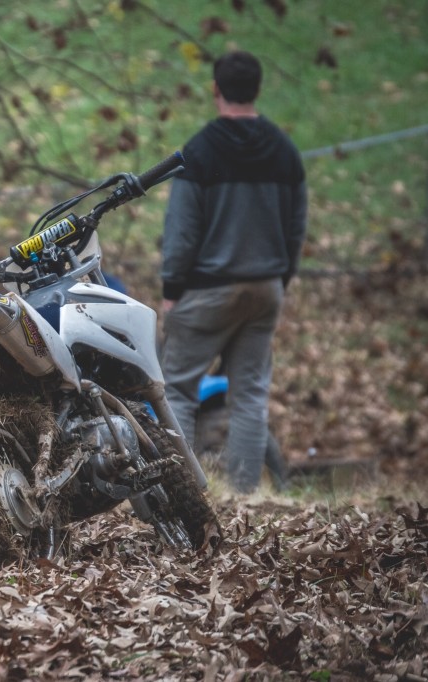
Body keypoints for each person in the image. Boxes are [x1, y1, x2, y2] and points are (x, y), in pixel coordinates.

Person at [159, 50, 307, 493]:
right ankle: (244, 496)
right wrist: (280, 280)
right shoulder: (284, 151)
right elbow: (296, 228)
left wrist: (172, 288)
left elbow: (182, 232)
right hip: (265, 289)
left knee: (177, 393)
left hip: (206, 291)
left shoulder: (200, 151)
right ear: (257, 90)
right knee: (251, 395)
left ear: (216, 90)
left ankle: (183, 494)